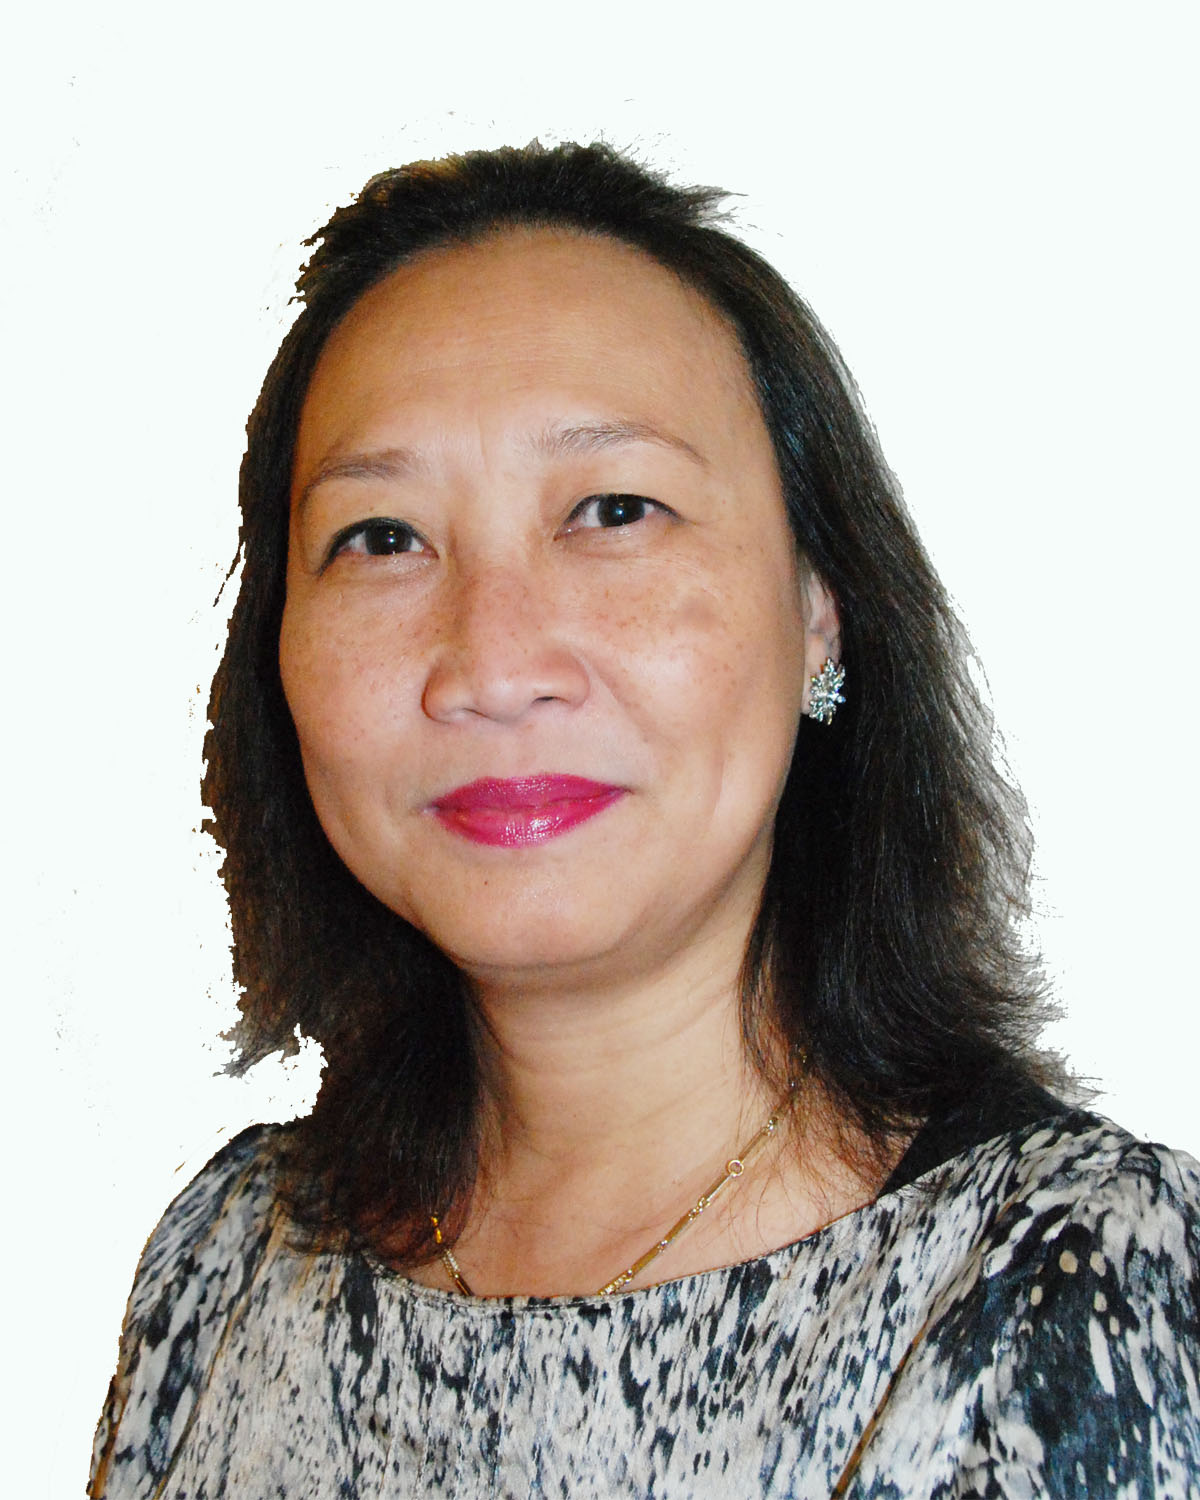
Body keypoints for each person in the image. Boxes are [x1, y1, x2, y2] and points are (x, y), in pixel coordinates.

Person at [89, 142, 1200, 1497]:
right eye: (381, 537)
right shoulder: (225, 1257)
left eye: (614, 511)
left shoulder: (1075, 1283)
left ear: (819, 613)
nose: (493, 664)